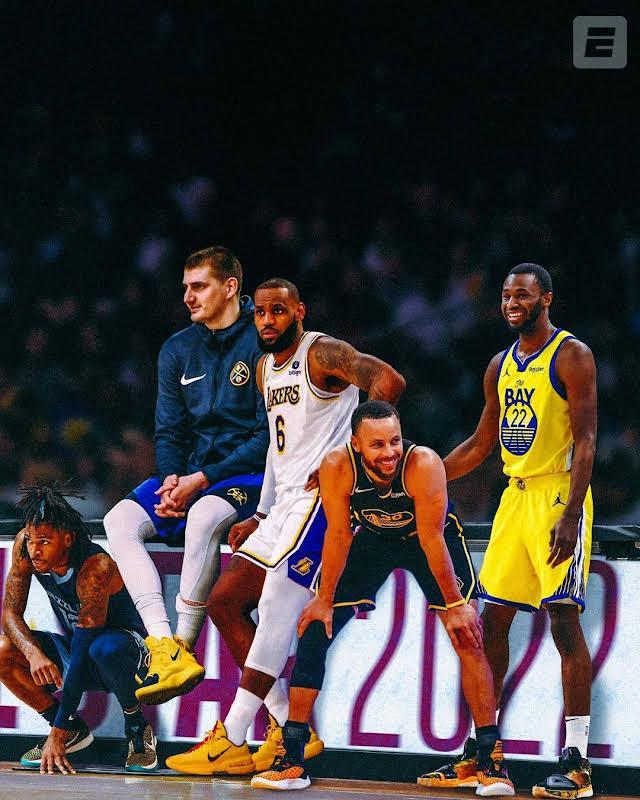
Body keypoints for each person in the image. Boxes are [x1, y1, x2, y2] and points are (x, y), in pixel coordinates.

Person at [165, 278, 406, 775]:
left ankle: (232, 736)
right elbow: (280, 449)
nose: (268, 320)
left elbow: (389, 382)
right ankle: (283, 725)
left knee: (275, 609)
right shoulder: (264, 369)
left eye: (278, 311)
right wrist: (260, 512)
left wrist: (353, 459)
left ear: (299, 311)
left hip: (321, 502)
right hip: (284, 505)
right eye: (260, 313)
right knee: (224, 601)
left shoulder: (322, 353)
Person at [250, 400, 514, 795]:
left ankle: (490, 761)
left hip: (428, 541)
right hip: (373, 539)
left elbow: (432, 539)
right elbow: (339, 534)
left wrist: (456, 605)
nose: (389, 452)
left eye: (394, 441)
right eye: (377, 445)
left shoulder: (423, 464)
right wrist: (324, 598)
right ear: (356, 444)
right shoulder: (337, 466)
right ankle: (292, 759)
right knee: (315, 629)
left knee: (467, 635)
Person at [438, 263, 597, 799]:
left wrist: (571, 514)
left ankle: (577, 762)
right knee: (492, 624)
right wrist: (425, 476)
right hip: (515, 495)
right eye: (507, 295)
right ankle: (483, 749)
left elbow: (587, 439)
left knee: (563, 623)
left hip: (557, 494)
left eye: (523, 295)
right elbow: (481, 444)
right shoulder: (500, 365)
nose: (512, 302)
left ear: (546, 299)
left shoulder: (571, 355)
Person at [103, 246, 268, 705]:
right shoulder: (177, 349)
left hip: (247, 476)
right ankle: (161, 644)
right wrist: (173, 478)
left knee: (204, 516)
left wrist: (202, 479)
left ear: (230, 287)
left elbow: (265, 438)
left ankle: (184, 643)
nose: (188, 297)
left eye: (199, 287)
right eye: (185, 288)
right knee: (119, 520)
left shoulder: (262, 341)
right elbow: (169, 430)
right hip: (193, 475)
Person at [0, 485, 156, 774]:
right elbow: (9, 614)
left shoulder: (95, 568)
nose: (35, 550)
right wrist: (34, 654)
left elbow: (85, 649)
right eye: (31, 540)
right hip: (79, 647)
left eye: (44, 541)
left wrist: (55, 734)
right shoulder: (26, 547)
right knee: (3, 650)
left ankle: (137, 729)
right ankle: (72, 729)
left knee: (102, 648)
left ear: (67, 539)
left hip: (129, 654)